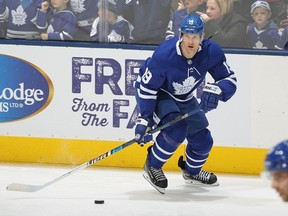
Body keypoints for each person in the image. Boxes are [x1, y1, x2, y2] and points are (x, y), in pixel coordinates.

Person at [134, 13, 237, 194]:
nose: (191, 41)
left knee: (204, 140)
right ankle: (153, 165)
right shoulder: (164, 55)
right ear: (180, 35)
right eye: (187, 36)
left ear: (201, 37)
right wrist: (145, 119)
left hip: (184, 96)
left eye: (195, 36)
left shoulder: (211, 52)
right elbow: (148, 89)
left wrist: (218, 90)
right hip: (159, 94)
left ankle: (192, 172)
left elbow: (229, 78)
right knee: (176, 129)